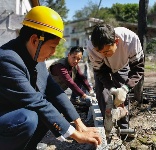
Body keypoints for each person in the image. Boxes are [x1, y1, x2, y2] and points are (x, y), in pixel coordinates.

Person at [0, 6, 101, 150]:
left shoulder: (34, 56)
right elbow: (36, 102)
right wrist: (75, 135)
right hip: (6, 117)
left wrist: (79, 122)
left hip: (10, 112)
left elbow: (53, 89)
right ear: (35, 40)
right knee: (28, 118)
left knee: (47, 111)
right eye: (52, 46)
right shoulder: (7, 59)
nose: (54, 53)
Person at [86, 24, 144, 131]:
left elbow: (138, 69)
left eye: (107, 51)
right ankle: (108, 124)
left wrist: (125, 89)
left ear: (116, 42)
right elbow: (100, 72)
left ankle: (124, 127)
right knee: (101, 92)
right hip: (102, 67)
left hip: (121, 65)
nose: (103, 54)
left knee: (122, 96)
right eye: (100, 52)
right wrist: (111, 89)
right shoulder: (91, 46)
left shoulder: (131, 40)